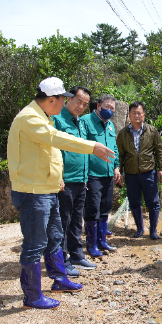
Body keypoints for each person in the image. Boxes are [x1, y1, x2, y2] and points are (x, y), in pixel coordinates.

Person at [8, 77, 116, 310]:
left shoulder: (43, 117)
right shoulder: (29, 118)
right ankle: (32, 295)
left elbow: (48, 154)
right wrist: (92, 146)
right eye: (63, 100)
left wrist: (56, 180)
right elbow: (55, 139)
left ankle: (59, 279)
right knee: (35, 243)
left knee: (56, 236)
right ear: (51, 100)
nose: (63, 104)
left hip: (47, 189)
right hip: (33, 191)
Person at [52, 85, 96, 276]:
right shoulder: (57, 119)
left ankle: (77, 255)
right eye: (79, 101)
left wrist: (86, 176)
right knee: (64, 221)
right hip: (65, 181)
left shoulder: (80, 122)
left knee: (77, 220)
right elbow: (52, 149)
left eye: (85, 104)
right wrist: (58, 176)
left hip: (81, 179)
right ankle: (62, 260)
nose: (81, 106)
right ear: (68, 99)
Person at [116, 101, 162, 240]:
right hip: (131, 173)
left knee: (153, 202)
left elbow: (159, 150)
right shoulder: (123, 133)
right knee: (134, 202)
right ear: (129, 115)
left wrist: (161, 169)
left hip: (149, 172)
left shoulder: (151, 130)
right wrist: (120, 171)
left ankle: (153, 230)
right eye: (133, 113)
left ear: (144, 115)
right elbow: (120, 154)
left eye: (139, 113)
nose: (136, 116)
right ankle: (139, 229)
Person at [83, 94, 121, 258]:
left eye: (112, 108)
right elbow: (81, 147)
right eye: (107, 107)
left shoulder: (110, 125)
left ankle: (102, 241)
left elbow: (114, 148)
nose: (110, 110)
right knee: (93, 209)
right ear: (98, 106)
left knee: (105, 208)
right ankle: (91, 245)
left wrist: (117, 166)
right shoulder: (86, 121)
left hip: (108, 174)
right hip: (93, 174)